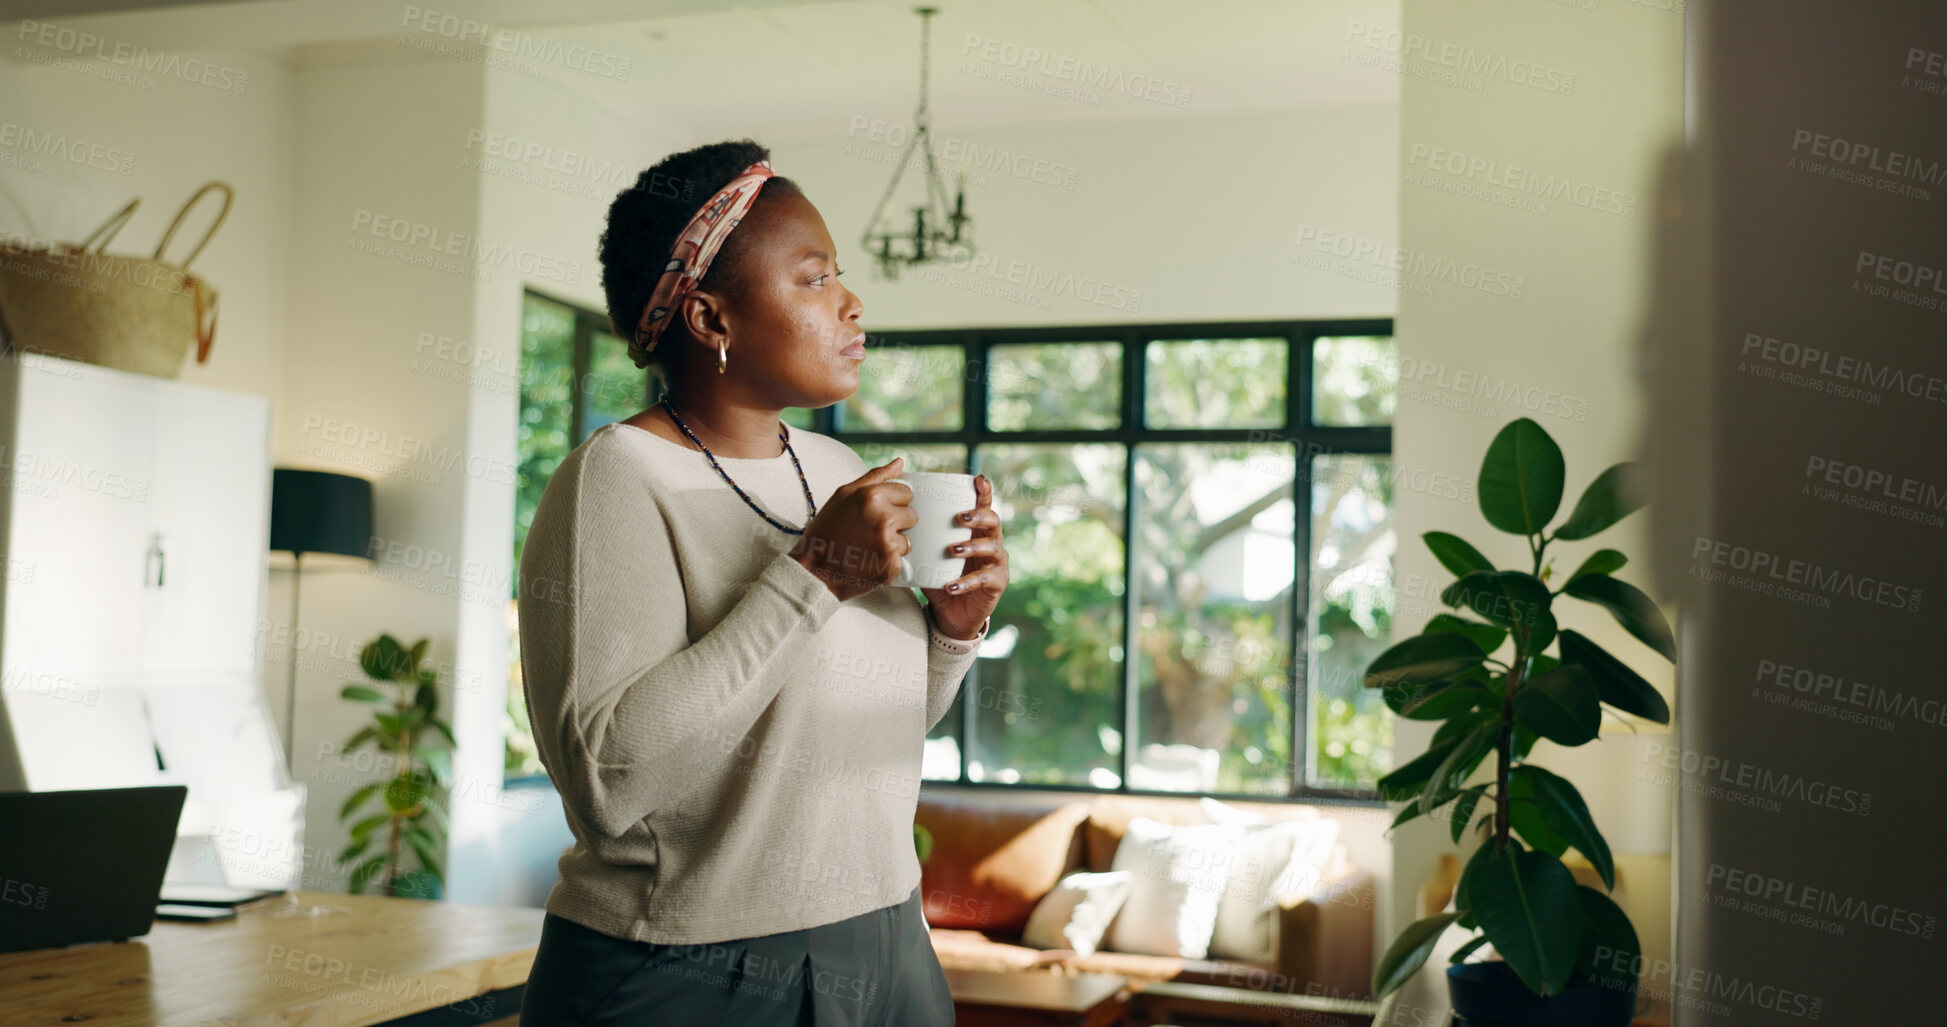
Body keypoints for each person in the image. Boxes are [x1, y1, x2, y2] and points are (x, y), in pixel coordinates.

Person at [515, 138, 1008, 1026]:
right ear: (710, 320)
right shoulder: (619, 477)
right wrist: (812, 574)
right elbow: (608, 776)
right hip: (685, 968)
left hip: (888, 939)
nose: (852, 304)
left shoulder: (836, 468)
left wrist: (955, 630)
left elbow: (862, 729)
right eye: (814, 279)